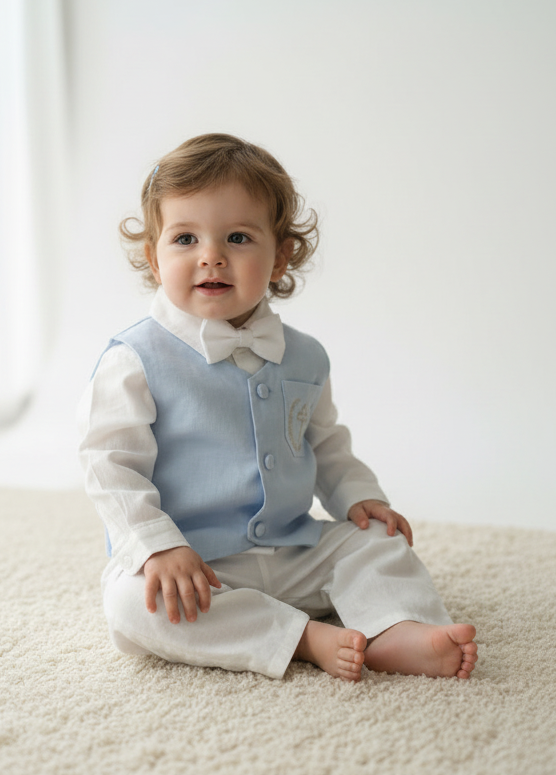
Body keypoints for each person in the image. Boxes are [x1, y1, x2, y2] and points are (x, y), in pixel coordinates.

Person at [77, 134, 477, 682]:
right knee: (130, 605)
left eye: (238, 237)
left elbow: (326, 443)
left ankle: (396, 628)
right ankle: (301, 638)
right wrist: (156, 547)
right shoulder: (136, 359)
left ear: (280, 255)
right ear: (153, 255)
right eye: (185, 238)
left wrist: (359, 497)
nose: (211, 255)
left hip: (292, 549)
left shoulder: (304, 355)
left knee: (375, 544)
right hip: (193, 566)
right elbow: (109, 466)